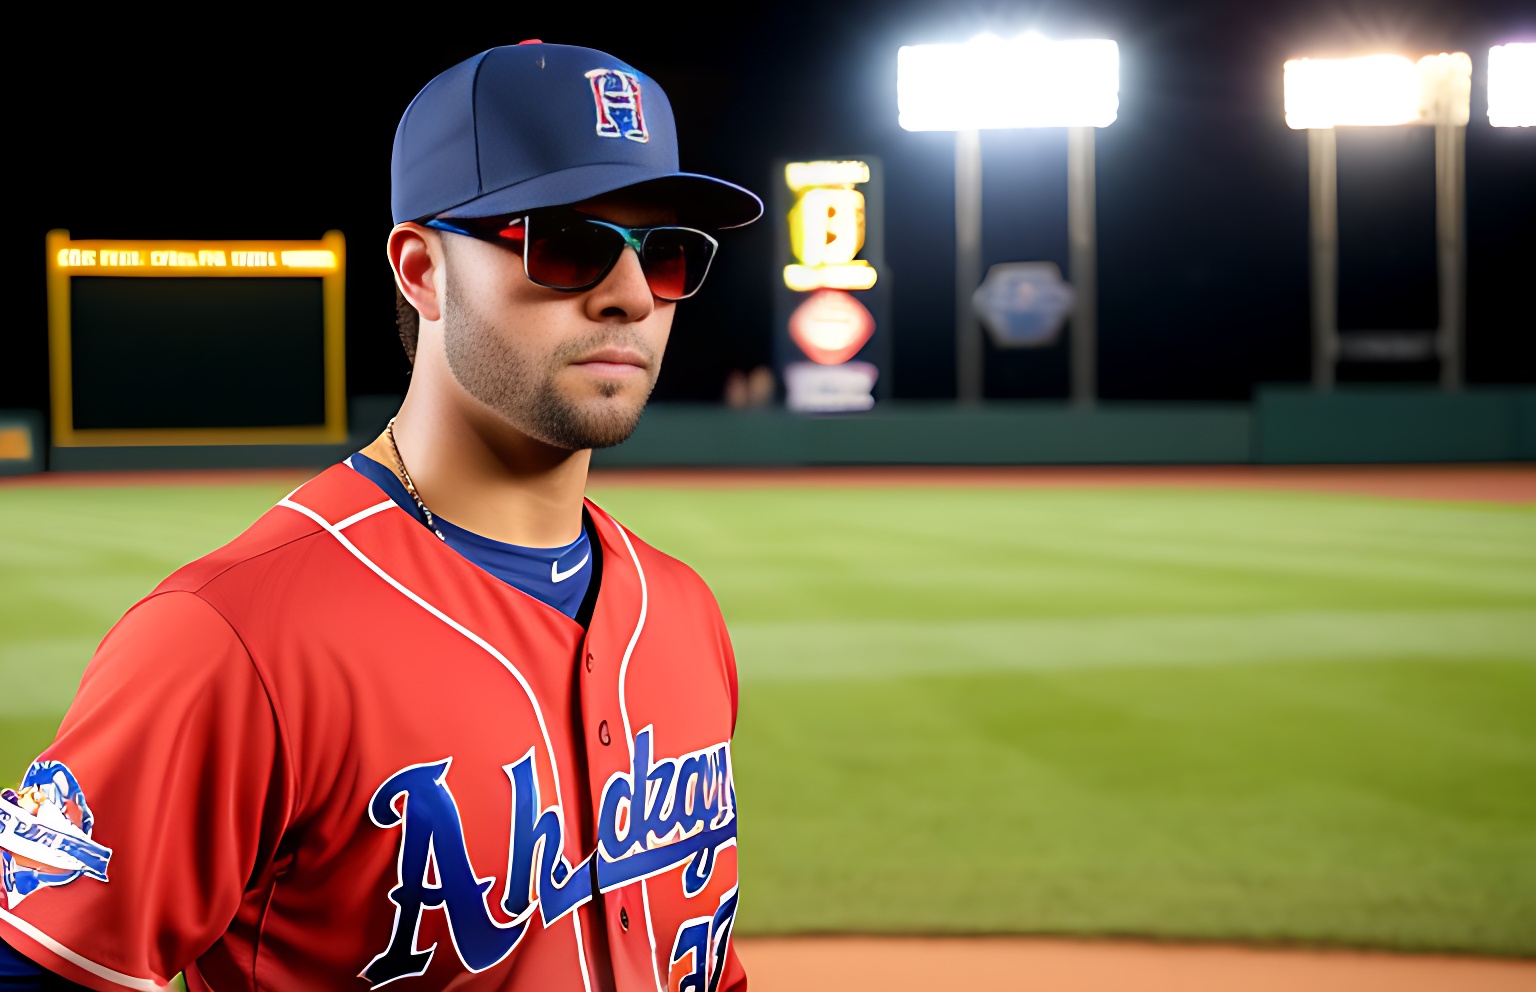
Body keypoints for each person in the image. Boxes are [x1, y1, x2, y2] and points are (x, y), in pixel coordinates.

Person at [0, 42, 759, 992]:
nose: (633, 295)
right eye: (567, 243)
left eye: (670, 254)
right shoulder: (228, 639)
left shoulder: (683, 612)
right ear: (421, 270)